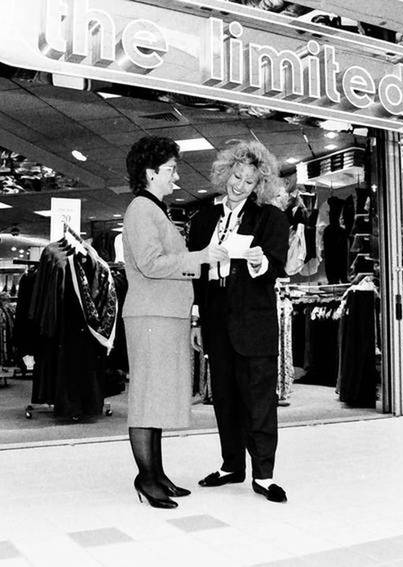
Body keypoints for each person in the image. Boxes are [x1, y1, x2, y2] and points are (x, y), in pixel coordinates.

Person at [122, 136, 229, 509]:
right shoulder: (141, 209)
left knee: (157, 398)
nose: (175, 175)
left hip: (163, 316)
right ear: (151, 173)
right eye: (169, 169)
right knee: (147, 398)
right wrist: (198, 256)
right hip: (151, 315)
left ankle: (156, 473)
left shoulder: (154, 208)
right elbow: (151, 263)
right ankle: (145, 477)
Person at [188, 140, 290, 503]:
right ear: (225, 172)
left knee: (259, 401)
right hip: (216, 323)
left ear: (259, 185)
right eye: (236, 175)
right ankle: (232, 465)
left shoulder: (271, 218)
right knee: (225, 400)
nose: (240, 185)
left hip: (255, 324)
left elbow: (275, 267)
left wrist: (259, 261)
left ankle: (264, 475)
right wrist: (197, 320)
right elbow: (198, 277)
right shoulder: (202, 222)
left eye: (249, 181)